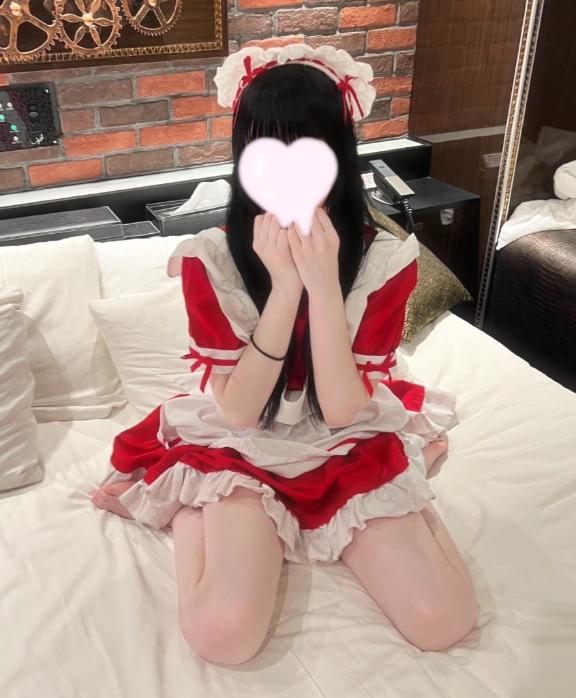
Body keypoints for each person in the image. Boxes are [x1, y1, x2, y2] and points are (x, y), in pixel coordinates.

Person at [91, 44, 479, 664]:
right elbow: (241, 412)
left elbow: (345, 408)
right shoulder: (211, 260)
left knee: (444, 621)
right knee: (223, 636)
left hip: (344, 436)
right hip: (243, 446)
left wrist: (323, 285)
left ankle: (410, 490)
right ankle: (190, 511)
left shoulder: (384, 260)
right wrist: (285, 289)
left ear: (339, 155)